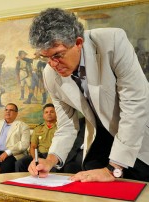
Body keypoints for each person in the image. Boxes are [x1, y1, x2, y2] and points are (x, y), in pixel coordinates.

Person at [28, 8, 149, 182]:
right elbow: (67, 124)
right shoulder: (50, 74)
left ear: (78, 43)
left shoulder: (113, 42)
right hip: (101, 138)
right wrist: (50, 159)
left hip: (140, 136)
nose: (53, 64)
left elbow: (135, 106)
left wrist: (112, 169)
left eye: (58, 55)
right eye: (45, 57)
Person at [15, 103, 57, 172]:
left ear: (56, 114)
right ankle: (22, 182)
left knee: (53, 168)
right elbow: (33, 147)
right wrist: (35, 159)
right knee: (20, 163)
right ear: (43, 115)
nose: (49, 114)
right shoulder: (38, 129)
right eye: (46, 112)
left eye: (52, 112)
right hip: (39, 155)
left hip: (53, 156)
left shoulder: (61, 129)